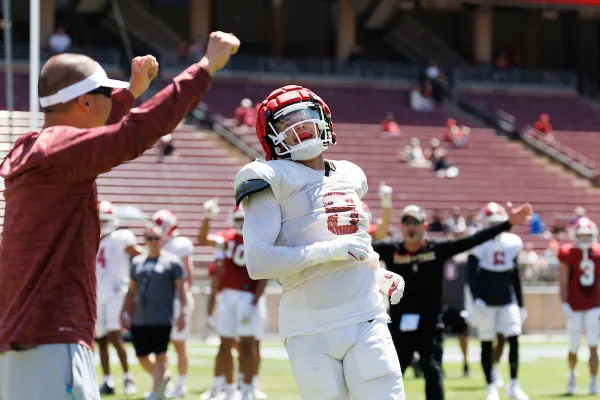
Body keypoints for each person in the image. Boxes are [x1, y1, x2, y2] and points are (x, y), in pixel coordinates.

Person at [0, 31, 239, 400]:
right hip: (50, 336)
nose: (111, 103)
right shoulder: (58, 151)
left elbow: (104, 132)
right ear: (84, 103)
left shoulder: (38, 147)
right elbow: (133, 133)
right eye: (106, 97)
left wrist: (130, 92)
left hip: (33, 339)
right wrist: (204, 68)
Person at [233, 85, 405, 399]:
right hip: (309, 326)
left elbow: (355, 240)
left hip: (364, 313)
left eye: (307, 116)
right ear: (272, 136)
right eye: (287, 122)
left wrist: (376, 274)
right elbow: (257, 262)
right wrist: (329, 252)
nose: (300, 126)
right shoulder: (269, 177)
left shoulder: (349, 175)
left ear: (323, 119)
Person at [372, 196, 532, 400]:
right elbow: (362, 247)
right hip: (400, 321)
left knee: (432, 369)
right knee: (393, 373)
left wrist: (507, 224)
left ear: (425, 225)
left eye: (415, 222)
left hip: (430, 323)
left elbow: (472, 240)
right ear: (401, 226)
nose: (410, 226)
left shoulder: (436, 249)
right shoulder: (391, 250)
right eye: (406, 222)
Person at [198, 200, 269, 400]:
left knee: (249, 345)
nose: (240, 223)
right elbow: (203, 238)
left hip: (248, 296)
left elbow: (264, 275)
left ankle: (247, 389)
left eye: (243, 219)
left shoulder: (257, 239)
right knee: (224, 344)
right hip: (228, 296)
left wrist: (254, 302)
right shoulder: (226, 238)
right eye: (238, 219)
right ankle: (226, 389)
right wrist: (207, 218)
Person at [120, 225, 188, 400]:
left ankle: (156, 392)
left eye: (156, 238)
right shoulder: (137, 262)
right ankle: (163, 378)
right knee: (141, 355)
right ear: (145, 240)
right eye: (149, 238)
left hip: (162, 317)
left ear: (163, 239)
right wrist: (123, 311)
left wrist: (183, 312)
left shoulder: (172, 262)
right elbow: (131, 290)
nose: (153, 242)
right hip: (140, 317)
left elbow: (181, 290)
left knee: (160, 355)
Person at [468, 202, 529, 400]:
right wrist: (476, 298)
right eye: (491, 223)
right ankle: (491, 386)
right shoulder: (479, 243)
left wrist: (520, 304)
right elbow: (471, 275)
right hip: (486, 301)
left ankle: (513, 384)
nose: (494, 227)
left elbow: (515, 276)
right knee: (486, 343)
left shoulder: (511, 242)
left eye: (497, 223)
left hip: (506, 299)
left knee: (513, 338)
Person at [96, 200, 142, 396]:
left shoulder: (122, 236)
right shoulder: (92, 238)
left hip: (116, 291)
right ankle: (107, 380)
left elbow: (139, 255)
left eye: (105, 220)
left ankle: (127, 377)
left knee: (115, 336)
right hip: (98, 292)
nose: (102, 224)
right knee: (101, 339)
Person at [150, 209, 194, 398]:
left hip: (176, 300)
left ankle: (181, 385)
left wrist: (181, 304)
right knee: (161, 346)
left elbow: (188, 276)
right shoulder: (155, 245)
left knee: (180, 345)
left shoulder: (180, 244)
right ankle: (164, 384)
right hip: (160, 302)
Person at [558, 217, 600, 396]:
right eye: (581, 236)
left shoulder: (598, 253)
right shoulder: (569, 253)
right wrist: (564, 302)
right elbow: (563, 280)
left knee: (593, 344)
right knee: (573, 346)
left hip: (594, 305)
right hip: (574, 306)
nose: (583, 239)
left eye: (586, 236)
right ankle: (572, 376)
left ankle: (592, 381)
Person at [441, 222, 471, 378]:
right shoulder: (442, 256)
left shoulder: (464, 259)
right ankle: (440, 365)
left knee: (463, 336)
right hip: (442, 304)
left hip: (459, 303)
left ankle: (466, 363)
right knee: (439, 337)